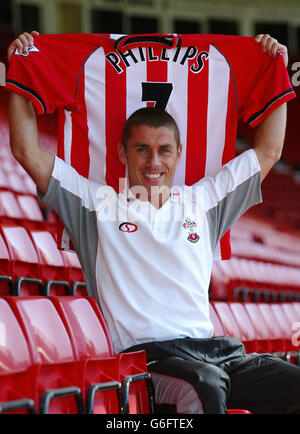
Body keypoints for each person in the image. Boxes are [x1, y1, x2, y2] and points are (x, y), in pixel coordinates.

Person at [7, 32, 300, 414]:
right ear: (121, 153)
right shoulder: (95, 205)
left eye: (163, 150)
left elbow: (269, 150)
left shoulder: (203, 201)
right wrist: (19, 71)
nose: (153, 161)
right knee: (204, 389)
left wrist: (276, 63)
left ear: (178, 154)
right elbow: (26, 150)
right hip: (148, 360)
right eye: (141, 149)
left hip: (216, 353)